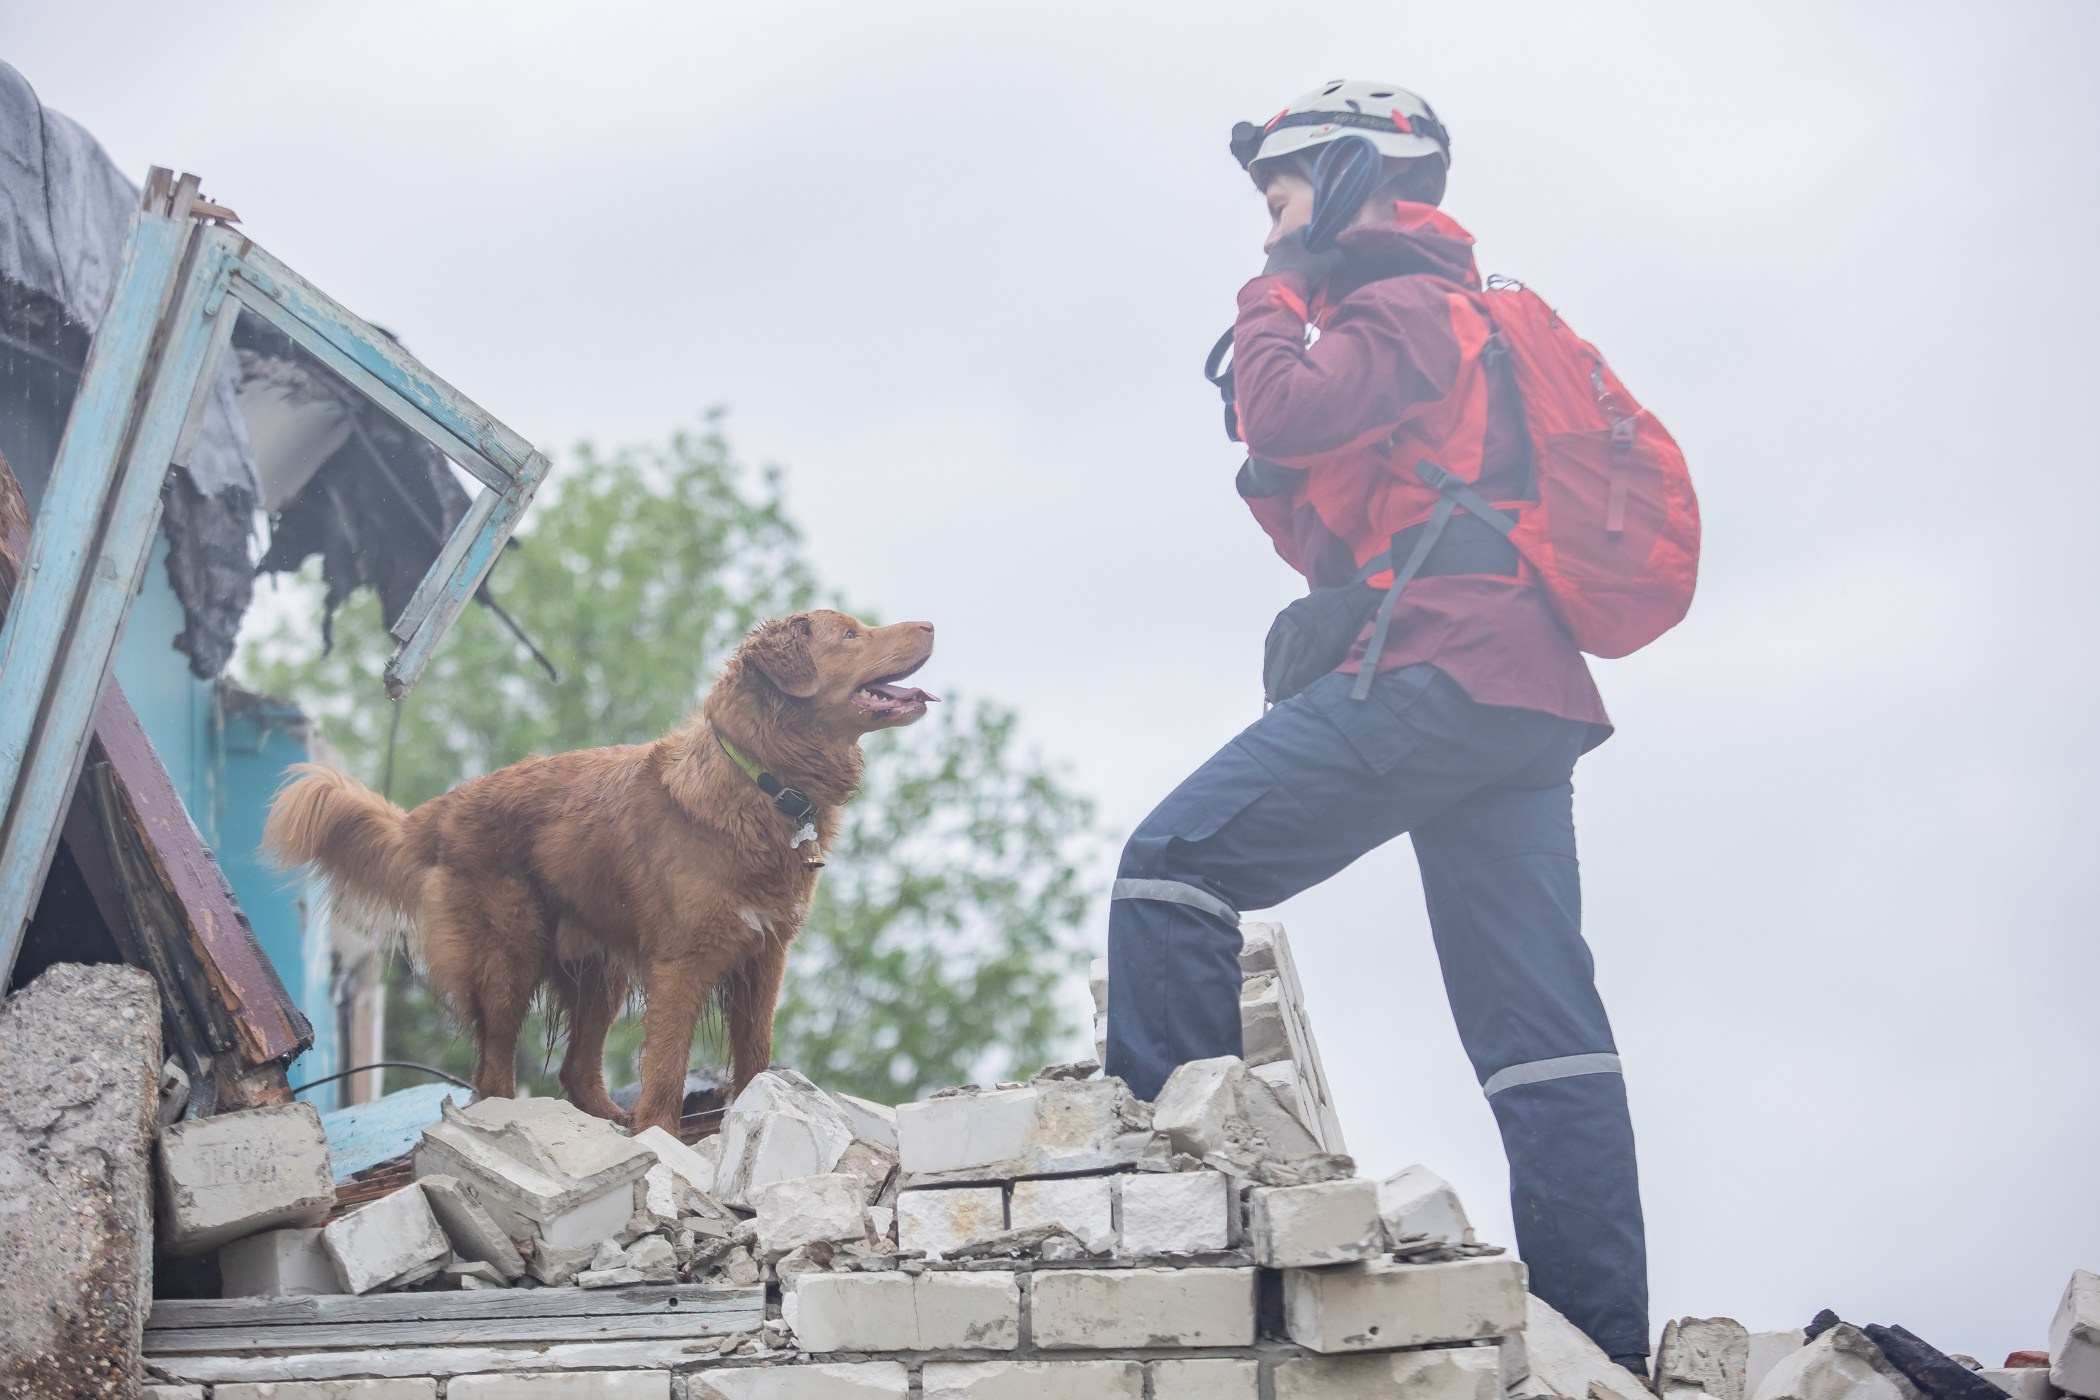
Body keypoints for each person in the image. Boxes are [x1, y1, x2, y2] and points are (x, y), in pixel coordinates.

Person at [1103, 79, 1651, 1369]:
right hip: (1513, 696)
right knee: (1540, 1041)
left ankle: (1173, 1254)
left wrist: (1274, 305)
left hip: (1450, 670)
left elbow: (1293, 408)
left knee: (1171, 870)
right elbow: (1338, 520)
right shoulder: (1433, 316)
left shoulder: (1403, 300)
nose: (1268, 226)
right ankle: (1601, 1353)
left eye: (1283, 194)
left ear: (1349, 177)